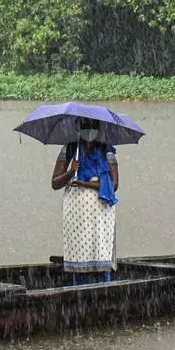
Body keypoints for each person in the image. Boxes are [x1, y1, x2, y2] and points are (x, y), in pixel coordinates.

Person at [50, 118, 119, 284]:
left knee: (100, 250)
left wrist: (83, 183)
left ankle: (104, 289)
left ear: (98, 128)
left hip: (101, 212)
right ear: (78, 128)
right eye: (85, 126)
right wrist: (70, 172)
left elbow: (114, 184)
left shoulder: (106, 150)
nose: (89, 130)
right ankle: (79, 292)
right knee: (79, 252)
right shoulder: (70, 148)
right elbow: (55, 183)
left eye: (93, 126)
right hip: (76, 214)